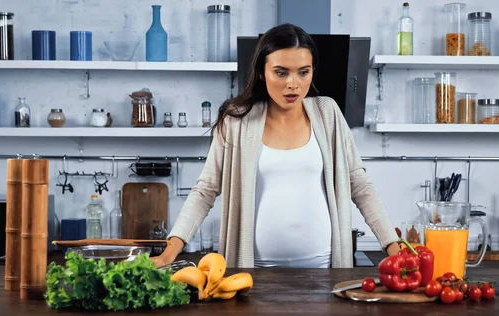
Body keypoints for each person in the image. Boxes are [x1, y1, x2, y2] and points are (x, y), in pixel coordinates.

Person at [151, 23, 400, 269]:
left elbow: (360, 184)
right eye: (281, 72)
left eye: (303, 72)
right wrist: (171, 250)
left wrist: (393, 247)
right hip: (251, 270)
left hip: (325, 270)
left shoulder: (328, 113)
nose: (293, 84)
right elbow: (205, 190)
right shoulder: (237, 120)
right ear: (262, 72)